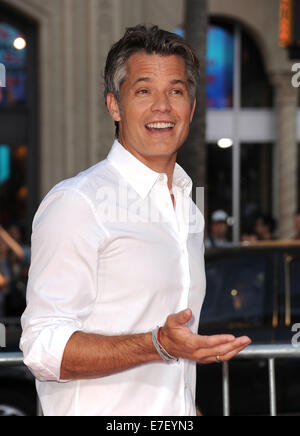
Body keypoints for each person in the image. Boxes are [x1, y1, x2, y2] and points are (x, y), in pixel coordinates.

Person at [20, 25, 251, 417]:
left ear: (191, 108)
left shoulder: (188, 212)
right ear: (115, 105)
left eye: (176, 91)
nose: (162, 107)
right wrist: (156, 344)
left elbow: (174, 363)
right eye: (144, 91)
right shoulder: (79, 202)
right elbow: (42, 348)